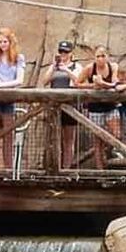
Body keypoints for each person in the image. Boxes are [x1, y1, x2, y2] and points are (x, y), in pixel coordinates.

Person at [0, 26, 25, 169]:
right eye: (0, 42)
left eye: (5, 42)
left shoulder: (18, 58)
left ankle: (8, 168)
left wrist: (0, 86)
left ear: (10, 42)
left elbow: (19, 80)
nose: (3, 45)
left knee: (9, 133)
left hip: (8, 98)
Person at [75, 46, 119, 168]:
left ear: (107, 57)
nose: (100, 59)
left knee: (116, 134)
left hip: (111, 105)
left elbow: (115, 82)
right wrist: (93, 86)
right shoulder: (89, 69)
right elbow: (77, 83)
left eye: (103, 56)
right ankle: (100, 170)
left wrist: (104, 84)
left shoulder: (113, 67)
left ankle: (108, 151)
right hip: (95, 108)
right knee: (97, 140)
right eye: (98, 56)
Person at [41, 39, 81, 169]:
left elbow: (78, 81)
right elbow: (45, 81)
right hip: (54, 106)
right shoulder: (54, 67)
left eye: (66, 52)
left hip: (70, 105)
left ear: (71, 53)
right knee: (55, 138)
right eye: (61, 51)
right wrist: (54, 67)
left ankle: (67, 167)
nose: (63, 54)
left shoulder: (77, 66)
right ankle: (55, 166)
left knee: (69, 139)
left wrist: (67, 70)